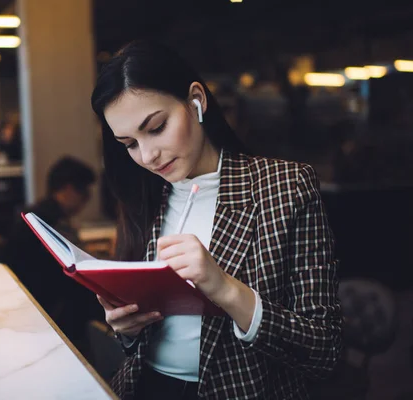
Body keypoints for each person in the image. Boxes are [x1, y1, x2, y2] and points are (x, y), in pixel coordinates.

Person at [90, 40, 343, 399]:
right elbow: (141, 343)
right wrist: (127, 330)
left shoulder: (283, 187)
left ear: (196, 100)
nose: (148, 155)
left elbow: (323, 350)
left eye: (157, 127)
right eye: (129, 143)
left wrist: (225, 288)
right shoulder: (144, 196)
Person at [1, 156, 102, 355]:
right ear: (68, 189)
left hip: (27, 298)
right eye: (84, 192)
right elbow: (78, 266)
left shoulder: (38, 211)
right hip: (49, 308)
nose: (86, 199)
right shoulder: (53, 221)